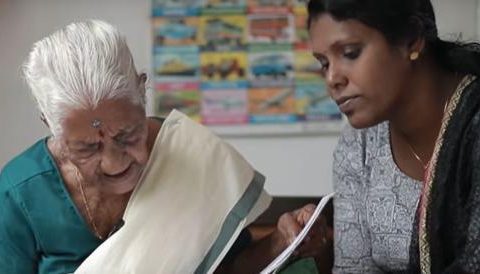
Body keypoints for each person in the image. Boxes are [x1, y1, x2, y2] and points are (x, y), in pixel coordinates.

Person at [0, 20, 321, 274]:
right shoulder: (19, 195)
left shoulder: (193, 157)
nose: (114, 163)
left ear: (142, 90)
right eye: (87, 148)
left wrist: (281, 240)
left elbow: (227, 267)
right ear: (50, 126)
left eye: (127, 134)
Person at [306, 0, 480, 273]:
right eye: (323, 63)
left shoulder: (473, 122)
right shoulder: (360, 144)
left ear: (411, 39)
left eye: (350, 53)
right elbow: (354, 269)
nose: (332, 78)